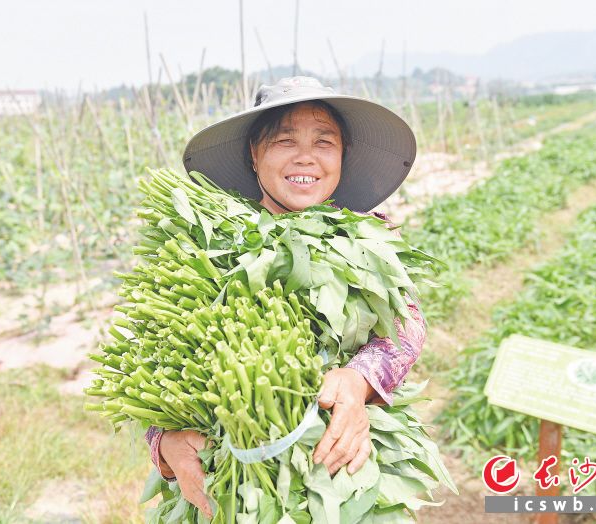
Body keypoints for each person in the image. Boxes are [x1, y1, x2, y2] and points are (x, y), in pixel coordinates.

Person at [144, 76, 427, 519]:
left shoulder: (368, 234)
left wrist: (358, 382)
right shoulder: (208, 243)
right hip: (232, 469)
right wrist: (164, 442)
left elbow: (407, 325)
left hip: (340, 456)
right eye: (283, 140)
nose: (306, 157)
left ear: (341, 157)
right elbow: (160, 356)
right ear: (255, 156)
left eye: (324, 141)